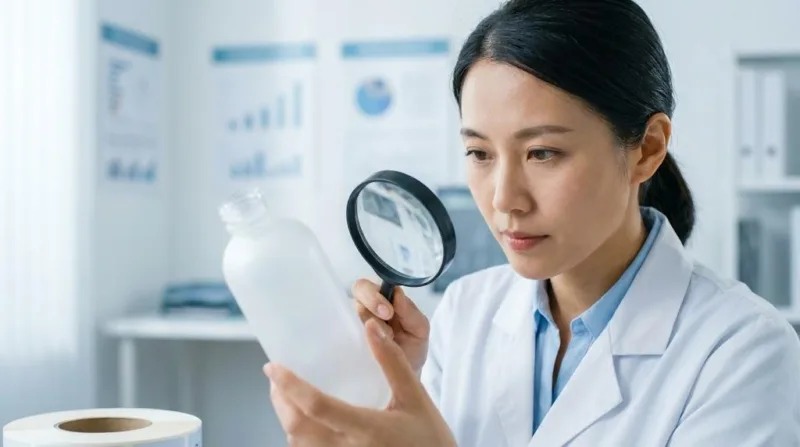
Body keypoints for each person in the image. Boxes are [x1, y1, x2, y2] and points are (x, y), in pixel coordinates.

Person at [263, 0, 800, 445]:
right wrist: (378, 396)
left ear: (646, 149)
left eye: (542, 153)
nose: (504, 200)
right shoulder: (465, 315)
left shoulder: (742, 351)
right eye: (479, 153)